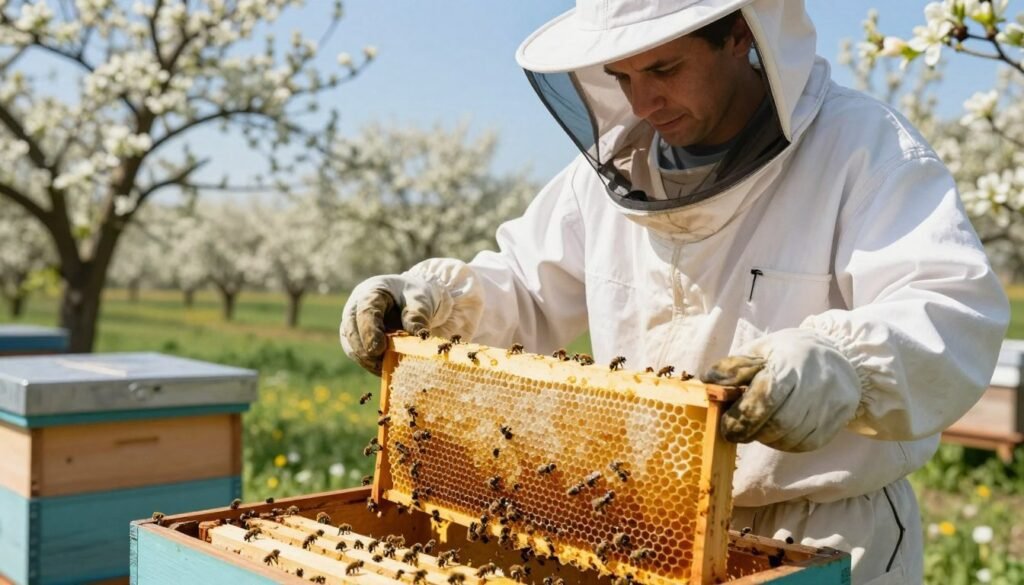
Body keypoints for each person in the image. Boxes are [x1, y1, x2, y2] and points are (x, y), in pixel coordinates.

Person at [340, 1, 1010, 583]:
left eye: (663, 69)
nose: (641, 102)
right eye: (621, 77)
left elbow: (949, 311)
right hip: (646, 529)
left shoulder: (864, 151)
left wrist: (841, 365)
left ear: (743, 34)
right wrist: (431, 302)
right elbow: (524, 287)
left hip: (827, 534)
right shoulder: (608, 176)